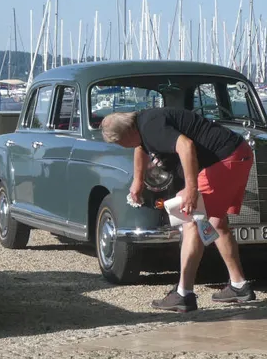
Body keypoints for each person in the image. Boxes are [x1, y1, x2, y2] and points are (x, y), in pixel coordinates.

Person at [101, 107, 256, 313]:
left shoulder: (151, 127)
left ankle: (184, 294)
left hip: (223, 161)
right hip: (239, 153)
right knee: (217, 221)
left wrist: (191, 189)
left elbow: (186, 145)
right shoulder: (142, 123)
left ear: (128, 133)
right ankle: (239, 285)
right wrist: (138, 181)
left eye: (120, 142)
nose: (123, 147)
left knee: (191, 221)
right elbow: (141, 147)